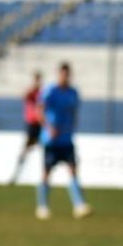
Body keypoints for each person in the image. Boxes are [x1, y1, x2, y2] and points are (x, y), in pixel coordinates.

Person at [35, 62, 91, 221]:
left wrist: (72, 126)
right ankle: (42, 206)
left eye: (67, 74)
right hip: (51, 141)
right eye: (62, 74)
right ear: (58, 74)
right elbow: (39, 110)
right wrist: (48, 127)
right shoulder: (50, 91)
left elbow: (73, 112)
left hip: (66, 139)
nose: (65, 77)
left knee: (73, 170)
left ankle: (79, 205)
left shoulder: (73, 92)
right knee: (46, 173)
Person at [8, 71, 43, 185]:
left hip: (41, 125)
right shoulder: (32, 91)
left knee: (47, 149)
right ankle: (16, 174)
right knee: (25, 150)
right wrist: (33, 87)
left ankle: (44, 177)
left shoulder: (43, 93)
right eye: (36, 79)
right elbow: (24, 96)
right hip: (32, 124)